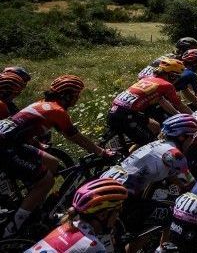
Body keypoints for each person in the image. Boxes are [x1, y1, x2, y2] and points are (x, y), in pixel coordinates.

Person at [0, 75, 114, 237]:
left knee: (52, 162)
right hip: (6, 148)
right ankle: (13, 227)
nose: (77, 100)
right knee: (46, 181)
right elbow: (75, 137)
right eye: (76, 96)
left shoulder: (40, 104)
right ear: (67, 96)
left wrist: (40, 146)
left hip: (12, 142)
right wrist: (101, 152)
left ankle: (35, 205)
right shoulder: (57, 111)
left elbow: (23, 132)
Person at [101, 114, 197, 234]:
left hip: (107, 182)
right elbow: (193, 186)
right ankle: (163, 248)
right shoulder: (175, 154)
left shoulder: (157, 144)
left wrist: (182, 185)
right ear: (182, 137)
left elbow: (172, 175)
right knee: (174, 215)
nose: (192, 141)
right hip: (121, 196)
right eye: (192, 137)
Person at [29, 178, 128, 253]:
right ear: (103, 215)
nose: (117, 217)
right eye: (117, 212)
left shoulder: (66, 225)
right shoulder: (94, 246)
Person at [108, 58, 191, 147]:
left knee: (156, 127)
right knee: (149, 144)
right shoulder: (167, 85)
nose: (177, 79)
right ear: (172, 75)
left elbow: (162, 101)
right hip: (126, 115)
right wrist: (193, 117)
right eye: (177, 76)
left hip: (117, 111)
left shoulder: (149, 78)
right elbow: (180, 105)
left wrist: (177, 114)